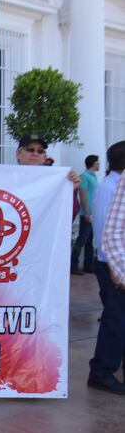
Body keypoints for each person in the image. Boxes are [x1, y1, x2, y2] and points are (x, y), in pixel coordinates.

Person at [90, 140, 125, 395]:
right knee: (115, 321)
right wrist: (115, 267)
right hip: (111, 263)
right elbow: (106, 229)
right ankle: (102, 371)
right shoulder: (108, 188)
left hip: (114, 262)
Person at [15, 134, 81, 189]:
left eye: (40, 151)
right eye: (30, 149)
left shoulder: (54, 181)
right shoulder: (7, 179)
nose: (35, 154)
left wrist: (69, 187)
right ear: (18, 153)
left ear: (44, 157)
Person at [71, 154, 100, 275]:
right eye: (98, 162)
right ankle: (73, 264)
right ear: (93, 163)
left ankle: (88, 265)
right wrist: (87, 212)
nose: (99, 164)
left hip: (93, 213)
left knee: (89, 241)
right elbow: (83, 195)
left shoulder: (94, 176)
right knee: (82, 239)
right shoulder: (84, 176)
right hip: (86, 213)